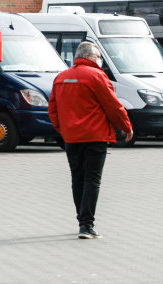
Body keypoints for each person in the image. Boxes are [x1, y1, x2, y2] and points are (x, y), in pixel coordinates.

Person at [48, 41, 133, 239]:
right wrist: (126, 126)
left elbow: (52, 109)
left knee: (77, 178)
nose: (99, 60)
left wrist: (64, 130)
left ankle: (82, 220)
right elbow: (113, 105)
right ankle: (86, 225)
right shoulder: (96, 76)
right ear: (88, 57)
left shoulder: (61, 78)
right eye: (97, 56)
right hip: (95, 136)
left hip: (72, 138)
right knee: (92, 179)